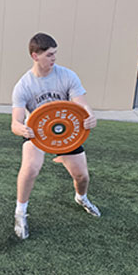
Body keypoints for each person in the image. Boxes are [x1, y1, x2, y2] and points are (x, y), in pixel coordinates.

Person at [11, 33, 100, 240]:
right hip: (38, 132)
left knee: (82, 176)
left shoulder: (67, 76)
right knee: (31, 168)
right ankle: (20, 213)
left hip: (66, 131)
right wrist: (21, 129)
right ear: (35, 56)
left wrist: (89, 115)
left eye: (55, 54)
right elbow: (15, 122)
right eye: (49, 55)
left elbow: (81, 103)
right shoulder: (23, 85)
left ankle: (82, 198)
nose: (54, 59)